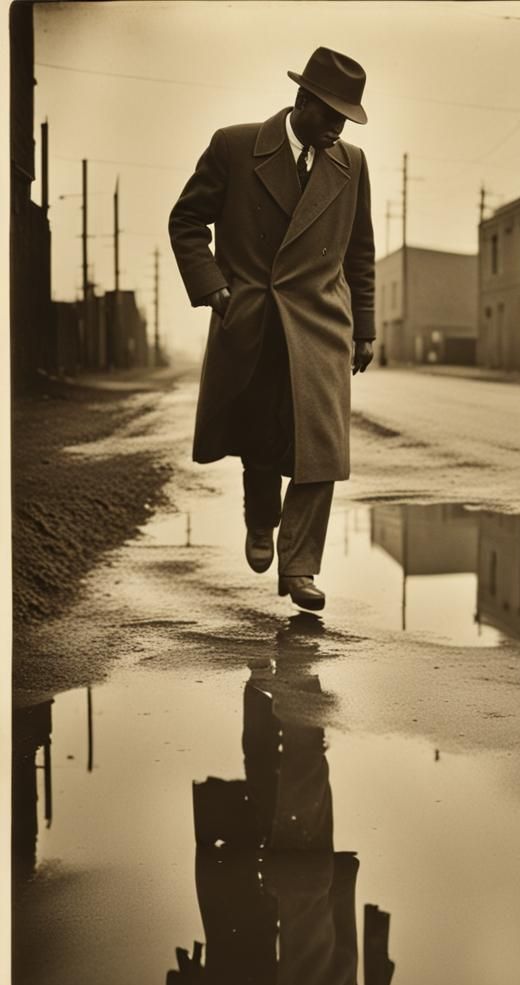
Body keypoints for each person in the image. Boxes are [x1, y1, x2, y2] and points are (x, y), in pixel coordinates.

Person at [169, 47, 375, 613]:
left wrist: (366, 328)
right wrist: (213, 288)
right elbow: (186, 220)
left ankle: (301, 567)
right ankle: (261, 518)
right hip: (254, 316)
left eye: (346, 119)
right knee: (260, 436)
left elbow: (360, 253)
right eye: (330, 114)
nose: (337, 128)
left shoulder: (351, 164)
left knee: (322, 451)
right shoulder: (234, 146)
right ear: (302, 100)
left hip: (321, 323)